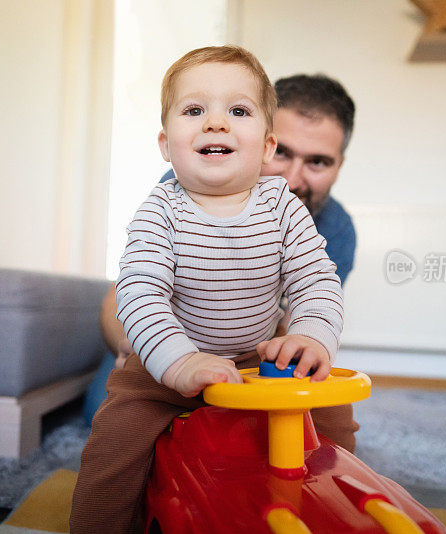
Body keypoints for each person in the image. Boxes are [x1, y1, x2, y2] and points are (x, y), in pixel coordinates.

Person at [70, 46, 351, 534]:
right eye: (195, 110)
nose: (216, 123)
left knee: (332, 408)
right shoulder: (160, 209)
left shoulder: (284, 208)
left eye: (237, 111)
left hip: (256, 363)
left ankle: (333, 496)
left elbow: (314, 280)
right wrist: (179, 362)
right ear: (165, 143)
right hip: (165, 369)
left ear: (265, 146)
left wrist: (309, 336)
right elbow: (139, 293)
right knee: (111, 448)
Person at [82, 72, 357, 424]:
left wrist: (308, 341)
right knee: (109, 417)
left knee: (325, 422)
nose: (292, 178)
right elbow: (131, 292)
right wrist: (158, 352)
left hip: (254, 347)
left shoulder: (337, 227)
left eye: (317, 162)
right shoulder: (188, 188)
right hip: (161, 334)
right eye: (284, 154)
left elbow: (312, 298)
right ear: (265, 142)